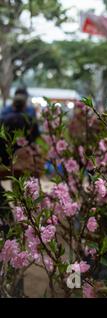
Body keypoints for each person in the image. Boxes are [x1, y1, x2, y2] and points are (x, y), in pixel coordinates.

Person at [0, 91, 43, 238]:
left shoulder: (4, 118)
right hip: (25, 160)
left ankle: (19, 220)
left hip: (10, 158)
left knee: (15, 187)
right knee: (27, 192)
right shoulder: (29, 119)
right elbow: (36, 138)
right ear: (25, 105)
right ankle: (25, 222)